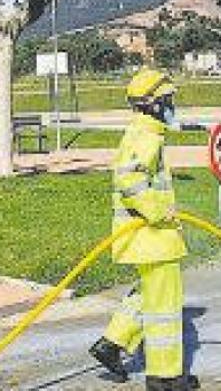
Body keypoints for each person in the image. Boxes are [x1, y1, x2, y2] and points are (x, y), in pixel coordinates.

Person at [89, 68, 199, 391]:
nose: (171, 107)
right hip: (153, 236)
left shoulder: (144, 133)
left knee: (149, 293)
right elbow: (129, 179)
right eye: (167, 101)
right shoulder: (146, 136)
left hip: (147, 238)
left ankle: (113, 342)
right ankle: (166, 378)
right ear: (151, 104)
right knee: (164, 306)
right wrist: (159, 211)